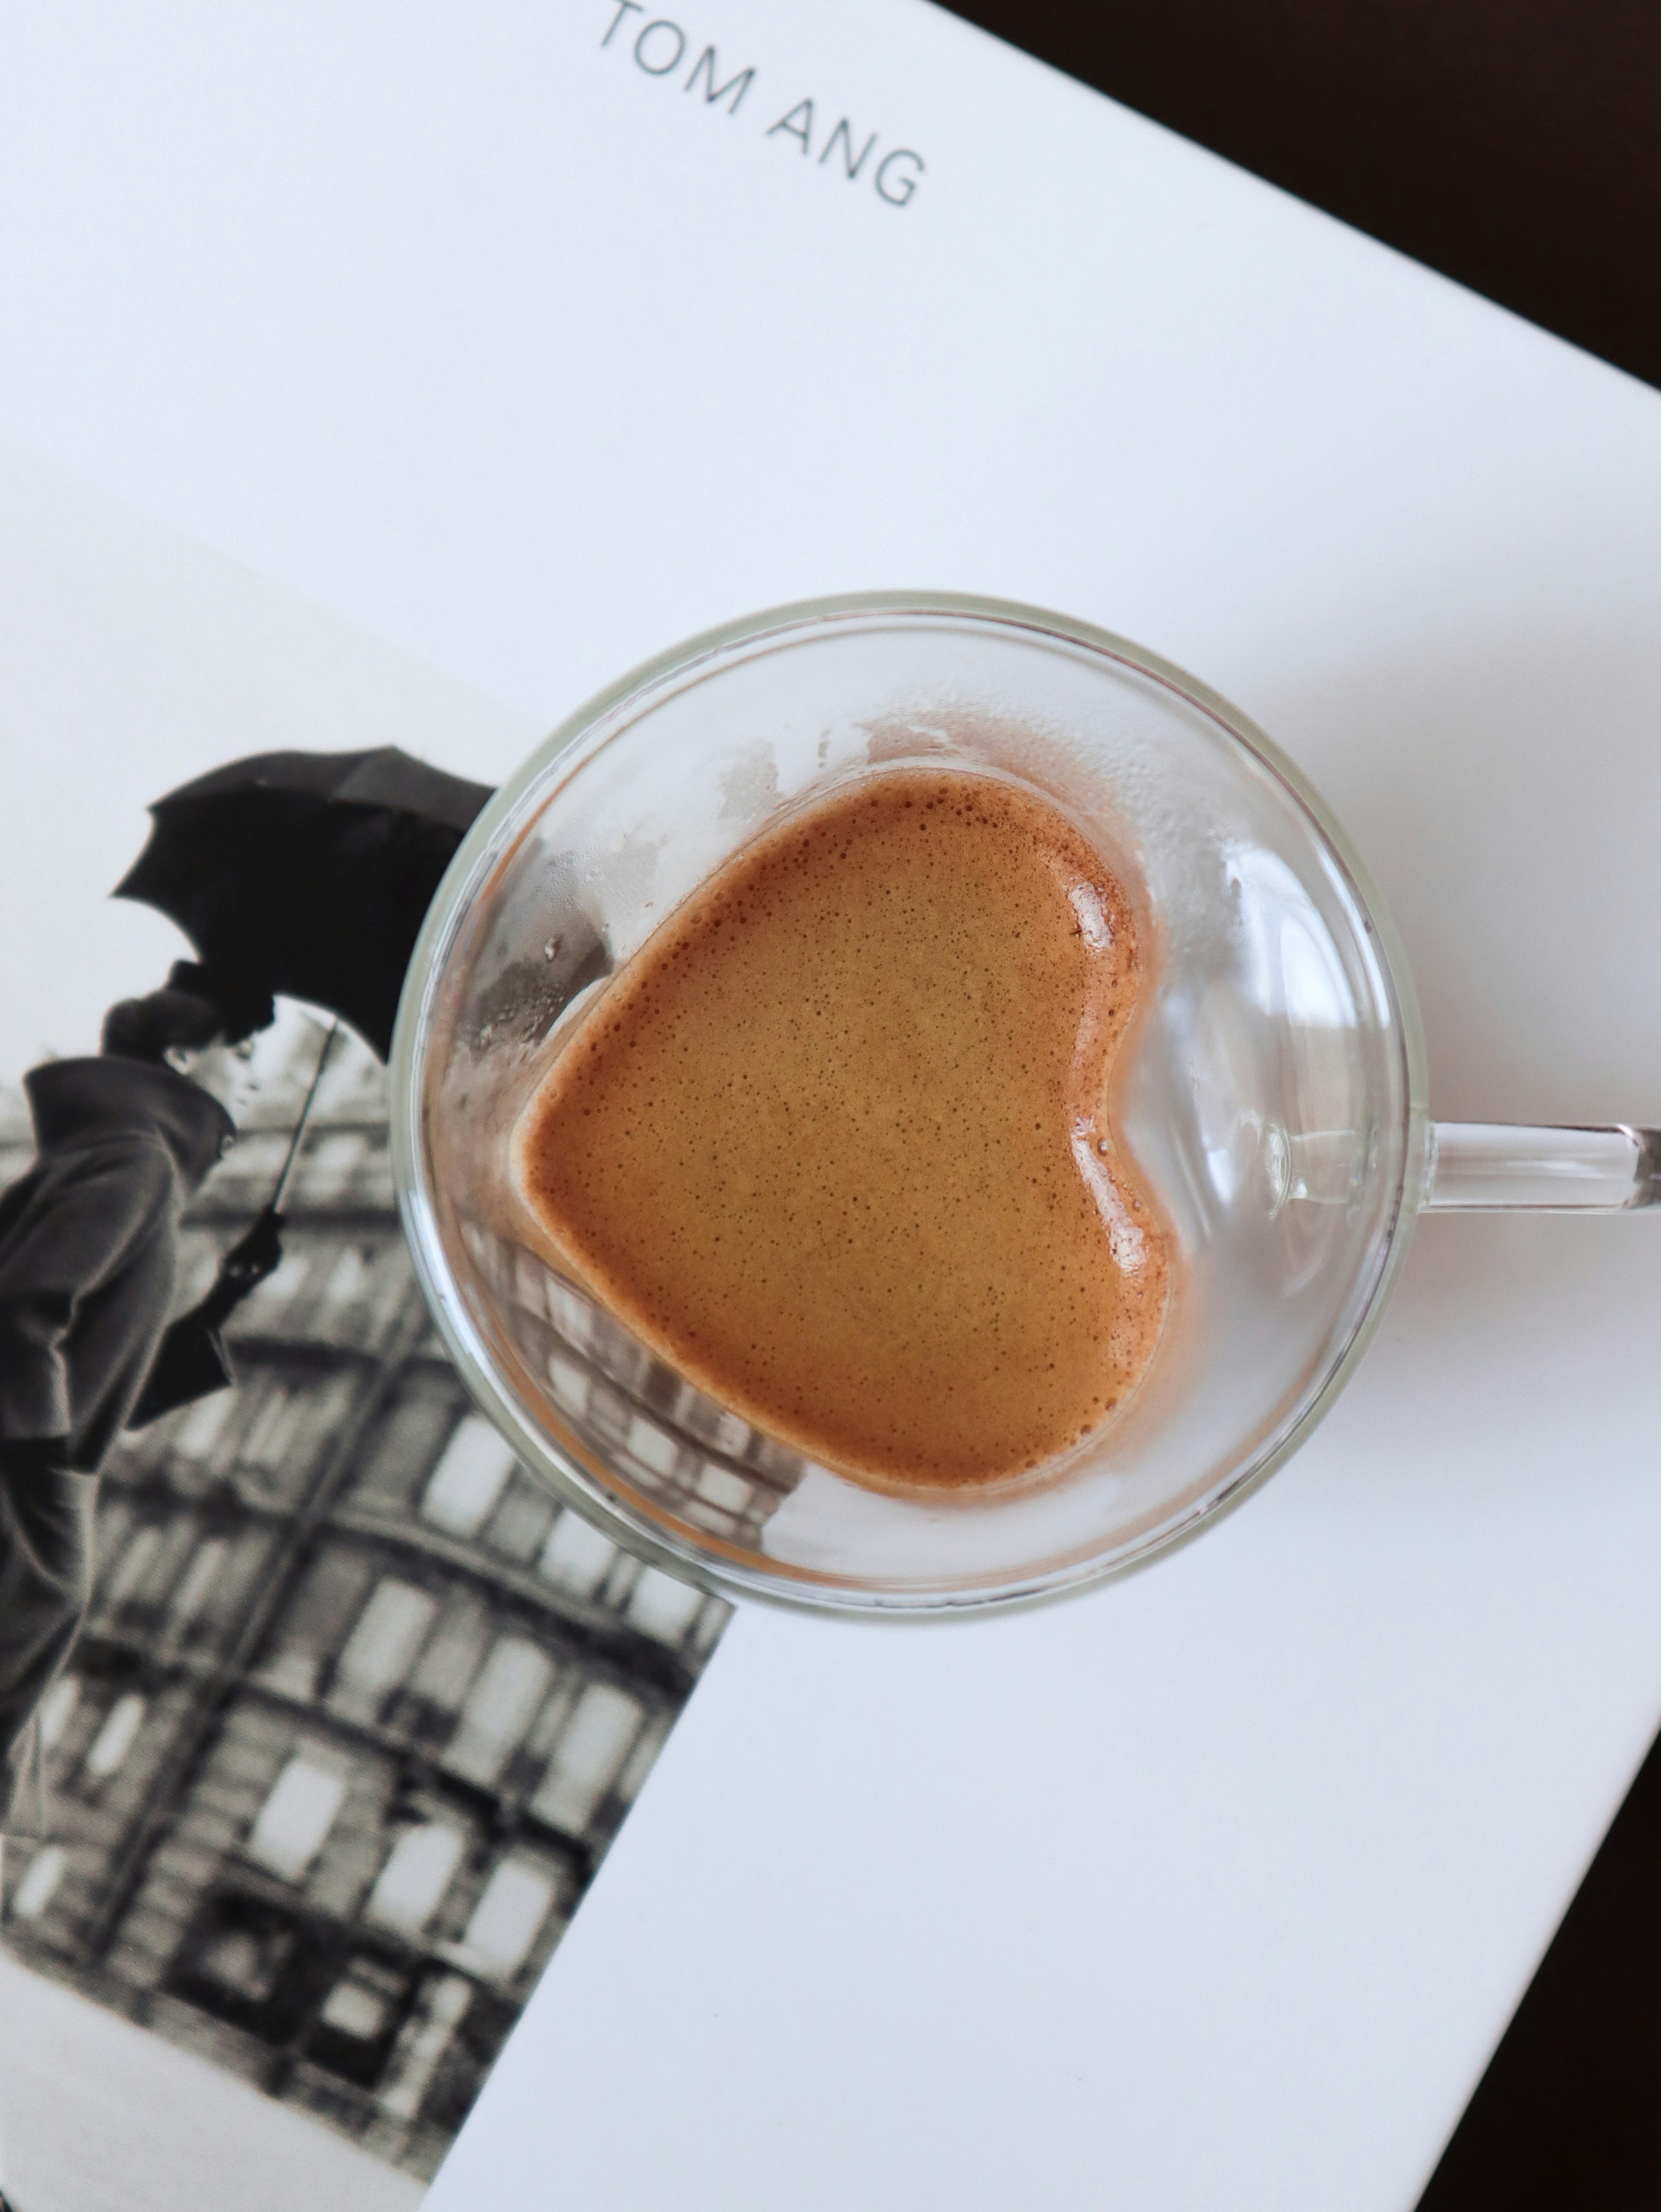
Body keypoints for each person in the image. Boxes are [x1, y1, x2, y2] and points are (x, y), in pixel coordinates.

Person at [0, 976, 265, 1885]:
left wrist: (227, 1297)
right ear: (187, 1060)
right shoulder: (140, 1161)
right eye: (249, 1055)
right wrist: (47, 1488)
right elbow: (23, 1313)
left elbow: (99, 1380)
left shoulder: (123, 1153)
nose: (260, 1080)